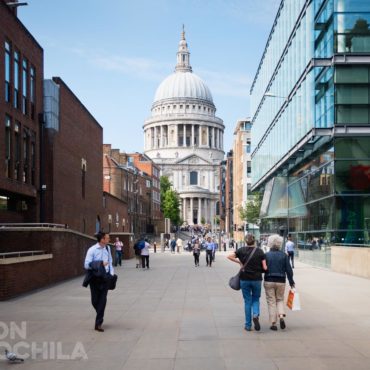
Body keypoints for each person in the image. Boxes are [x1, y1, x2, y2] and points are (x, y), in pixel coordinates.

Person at [227, 234, 267, 332]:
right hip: (257, 279)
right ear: (254, 241)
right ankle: (256, 314)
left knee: (247, 301)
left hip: (244, 279)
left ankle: (248, 325)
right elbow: (265, 267)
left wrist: (240, 263)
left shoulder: (241, 250)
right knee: (256, 299)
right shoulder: (260, 251)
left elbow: (229, 256)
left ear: (245, 241)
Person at [84, 231, 114, 332]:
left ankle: (98, 323)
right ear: (102, 239)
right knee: (95, 301)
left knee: (103, 299)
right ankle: (100, 313)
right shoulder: (92, 250)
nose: (109, 239)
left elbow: (110, 261)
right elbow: (86, 265)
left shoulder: (108, 248)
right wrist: (100, 264)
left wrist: (111, 273)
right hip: (95, 278)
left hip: (105, 277)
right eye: (107, 238)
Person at [264, 234, 295, 331]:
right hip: (281, 281)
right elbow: (289, 270)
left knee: (271, 301)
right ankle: (281, 316)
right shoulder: (284, 255)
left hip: (269, 280)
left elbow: (263, 268)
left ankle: (273, 323)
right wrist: (291, 282)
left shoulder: (266, 255)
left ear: (270, 243)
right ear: (280, 244)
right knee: (280, 299)